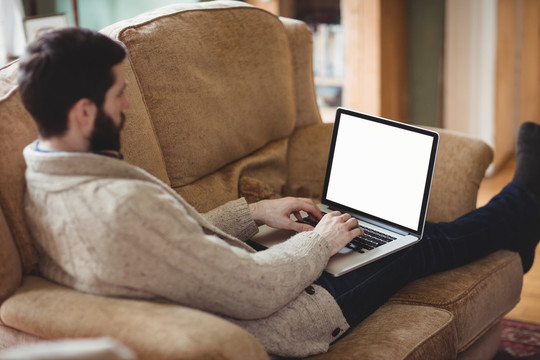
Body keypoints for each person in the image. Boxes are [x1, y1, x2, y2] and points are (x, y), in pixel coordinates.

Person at [18, 28, 540, 358]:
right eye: (117, 94)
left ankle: (520, 216)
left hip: (242, 278)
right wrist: (323, 240)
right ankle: (523, 206)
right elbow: (254, 292)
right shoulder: (116, 205)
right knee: (420, 242)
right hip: (287, 317)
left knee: (393, 233)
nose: (127, 104)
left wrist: (255, 214)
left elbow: (165, 242)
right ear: (84, 112)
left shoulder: (45, 179)